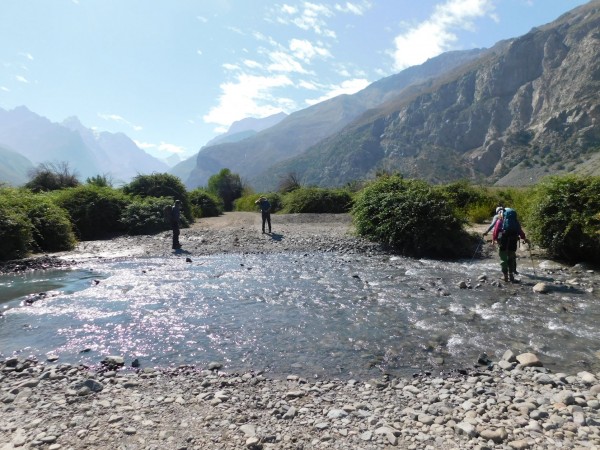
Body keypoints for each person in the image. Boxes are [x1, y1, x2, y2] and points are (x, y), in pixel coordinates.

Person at [492, 207, 528, 282]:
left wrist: (494, 240)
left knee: (503, 259)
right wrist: (524, 238)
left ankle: (505, 276)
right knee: (511, 258)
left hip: (503, 242)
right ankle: (511, 275)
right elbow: (520, 231)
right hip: (513, 241)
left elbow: (495, 231)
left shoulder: (500, 221)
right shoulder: (515, 221)